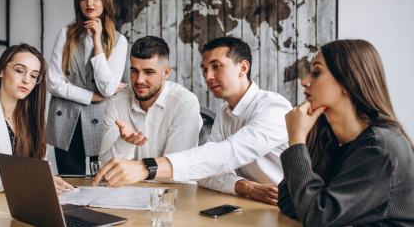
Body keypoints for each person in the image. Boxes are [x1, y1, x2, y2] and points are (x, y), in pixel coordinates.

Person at [93, 37, 292, 205]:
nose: (208, 76)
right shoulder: (225, 112)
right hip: (253, 204)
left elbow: (228, 154)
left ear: (243, 68)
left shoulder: (274, 108)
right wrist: (247, 187)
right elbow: (207, 175)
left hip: (290, 205)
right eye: (205, 69)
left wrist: (146, 167)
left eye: (216, 67)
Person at [278, 40, 414, 226]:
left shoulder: (379, 148)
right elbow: (288, 201)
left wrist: (296, 140)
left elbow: (318, 217)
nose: (304, 82)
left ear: (347, 81)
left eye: (316, 73)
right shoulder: (328, 135)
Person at [0, 44, 73, 193]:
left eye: (33, 75)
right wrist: (38, 180)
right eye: (20, 71)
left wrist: (47, 179)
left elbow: (39, 167)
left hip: (22, 198)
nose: (27, 80)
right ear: (1, 71)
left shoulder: (32, 117)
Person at [47, 0, 128, 174]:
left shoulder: (119, 40)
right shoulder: (66, 33)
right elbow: (53, 82)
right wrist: (92, 96)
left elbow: (107, 88)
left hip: (100, 120)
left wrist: (98, 42)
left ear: (105, 0)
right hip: (65, 118)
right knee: (70, 184)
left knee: (100, 182)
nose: (89, 3)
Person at [98, 36, 202, 166]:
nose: (139, 80)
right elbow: (104, 165)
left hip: (175, 187)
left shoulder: (184, 102)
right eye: (134, 71)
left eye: (148, 72)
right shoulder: (116, 103)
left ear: (166, 72)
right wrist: (124, 142)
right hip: (131, 186)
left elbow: (176, 168)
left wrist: (137, 170)